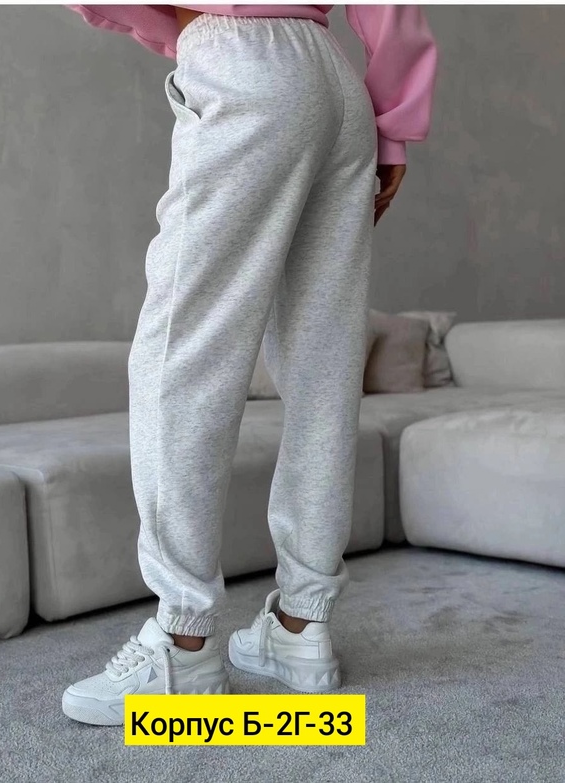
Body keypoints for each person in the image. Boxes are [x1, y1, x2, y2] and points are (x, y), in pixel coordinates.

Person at [61, 4, 438, 725]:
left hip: (240, 60)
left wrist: (181, 30)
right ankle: (302, 626)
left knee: (182, 351)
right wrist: (392, 122)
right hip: (334, 80)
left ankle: (184, 644)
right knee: (323, 361)